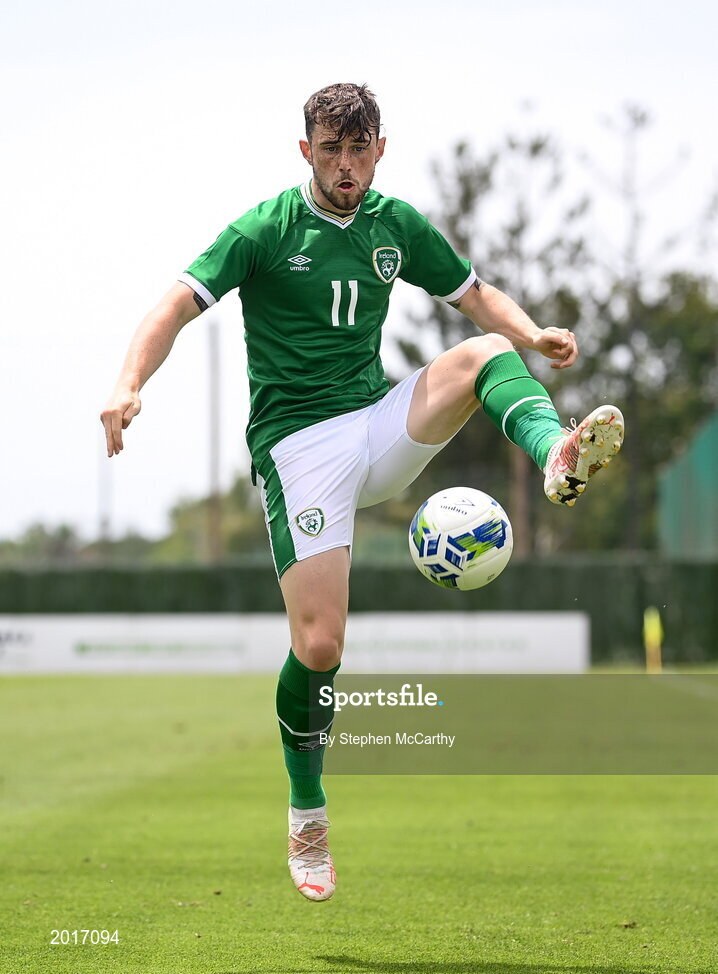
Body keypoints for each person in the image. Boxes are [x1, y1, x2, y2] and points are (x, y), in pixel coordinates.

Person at [101, 82, 624, 903]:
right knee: (320, 647)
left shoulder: (395, 224)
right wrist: (129, 384)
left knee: (485, 352)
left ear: (380, 149)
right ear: (306, 152)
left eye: (359, 149)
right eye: (331, 150)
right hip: (299, 448)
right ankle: (307, 812)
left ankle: (554, 453)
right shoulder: (265, 230)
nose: (346, 165)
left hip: (376, 423)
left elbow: (473, 293)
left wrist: (531, 334)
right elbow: (173, 306)